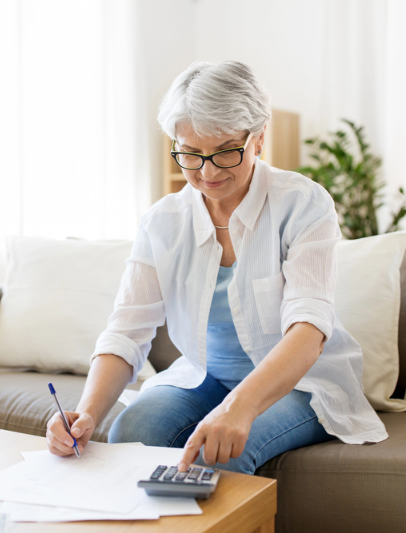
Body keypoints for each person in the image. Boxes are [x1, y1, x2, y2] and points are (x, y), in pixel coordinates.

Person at [46, 60, 388, 475]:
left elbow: (309, 329)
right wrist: (85, 414)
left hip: (302, 383)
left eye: (225, 152)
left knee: (221, 453)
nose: (207, 172)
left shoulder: (302, 203)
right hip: (204, 378)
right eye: (190, 154)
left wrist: (239, 407)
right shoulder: (163, 221)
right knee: (131, 432)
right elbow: (125, 331)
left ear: (259, 138)